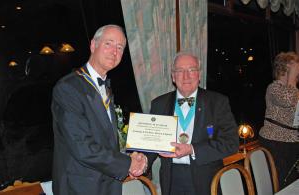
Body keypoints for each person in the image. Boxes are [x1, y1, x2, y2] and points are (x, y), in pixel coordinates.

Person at [51, 24, 147, 195]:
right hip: (80, 187)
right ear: (93, 45)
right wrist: (127, 163)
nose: (114, 51)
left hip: (107, 184)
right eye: (108, 44)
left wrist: (133, 156)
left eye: (120, 47)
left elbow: (104, 139)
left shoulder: (106, 87)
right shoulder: (68, 88)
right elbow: (82, 146)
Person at [147, 51, 239, 195]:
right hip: (171, 180)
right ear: (173, 76)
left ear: (199, 74)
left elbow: (231, 143)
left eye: (192, 70)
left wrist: (192, 149)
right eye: (180, 70)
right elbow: (152, 142)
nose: (186, 76)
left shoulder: (217, 102)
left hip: (207, 179)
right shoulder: (159, 104)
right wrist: (142, 160)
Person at [259, 51, 299, 188]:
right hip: (276, 142)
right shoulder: (273, 88)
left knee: (293, 182)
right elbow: (287, 100)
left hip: (292, 141)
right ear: (285, 68)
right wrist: (292, 77)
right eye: (295, 67)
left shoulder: (293, 89)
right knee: (283, 183)